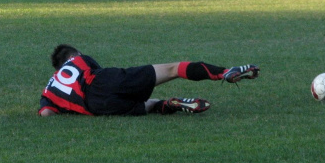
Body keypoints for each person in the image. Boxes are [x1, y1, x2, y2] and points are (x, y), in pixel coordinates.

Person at [39, 44, 259, 117]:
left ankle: (166, 104)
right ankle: (224, 72)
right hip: (104, 81)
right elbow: (96, 72)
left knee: (147, 105)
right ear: (71, 57)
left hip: (97, 107)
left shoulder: (48, 92)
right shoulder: (77, 60)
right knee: (173, 69)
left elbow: (46, 114)